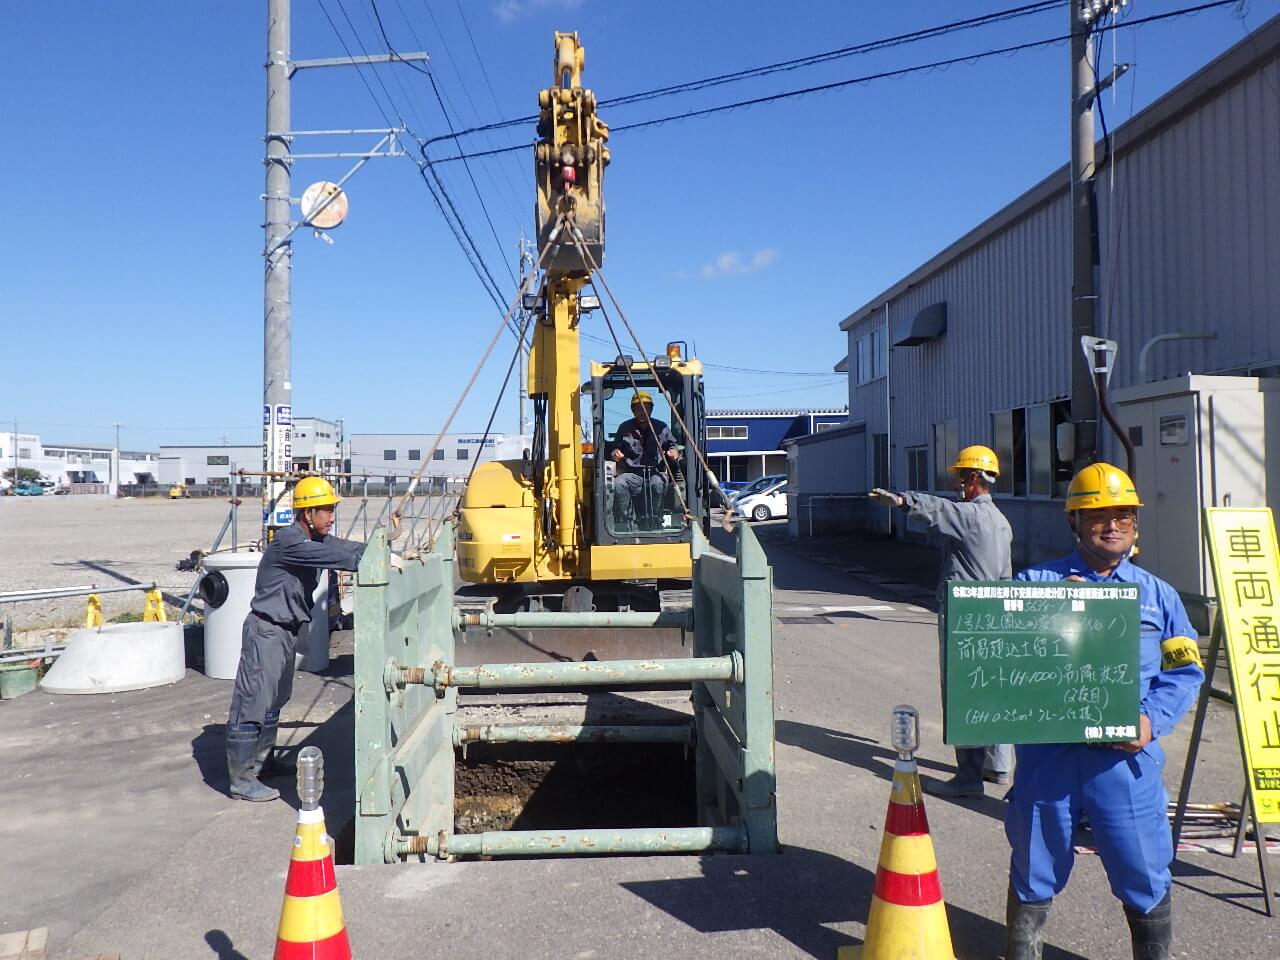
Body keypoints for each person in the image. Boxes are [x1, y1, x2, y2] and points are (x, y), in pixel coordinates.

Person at [1003, 463, 1204, 960]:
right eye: (1096, 515)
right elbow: (998, 661)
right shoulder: (1033, 583)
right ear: (1073, 522)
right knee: (1033, 866)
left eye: (1122, 515)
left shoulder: (1160, 596)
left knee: (1143, 868)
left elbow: (1184, 672)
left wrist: (1151, 721)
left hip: (1124, 760)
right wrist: (1055, 612)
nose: (1111, 524)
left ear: (1136, 523)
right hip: (1048, 757)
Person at [870, 444, 1014, 797]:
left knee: (962, 692)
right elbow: (1007, 577)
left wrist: (904, 501)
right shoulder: (1001, 522)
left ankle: (968, 777)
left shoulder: (971, 516)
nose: (958, 485)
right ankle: (998, 765)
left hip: (964, 614)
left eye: (963, 477)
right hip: (995, 613)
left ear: (975, 478)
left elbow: (938, 510)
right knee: (993, 688)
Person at [225, 477, 366, 802]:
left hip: (285, 632)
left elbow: (344, 547)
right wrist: (367, 561)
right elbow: (341, 559)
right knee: (253, 701)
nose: (331, 516)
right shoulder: (291, 542)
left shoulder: (313, 538)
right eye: (327, 510)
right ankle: (241, 780)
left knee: (275, 700)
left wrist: (383, 549)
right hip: (267, 630)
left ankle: (262, 761)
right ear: (307, 512)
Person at [610, 390, 680, 531]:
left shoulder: (661, 427)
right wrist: (615, 453)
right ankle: (625, 521)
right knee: (619, 483)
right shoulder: (624, 428)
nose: (643, 411)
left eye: (646, 408)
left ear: (651, 409)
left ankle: (655, 519)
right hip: (633, 474)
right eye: (638, 408)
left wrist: (674, 452)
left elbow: (673, 446)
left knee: (658, 484)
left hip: (655, 472)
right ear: (633, 410)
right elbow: (614, 449)